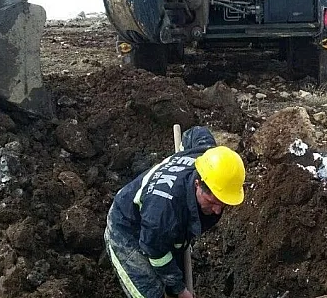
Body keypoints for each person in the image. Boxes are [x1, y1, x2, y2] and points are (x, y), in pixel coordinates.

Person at [104, 126, 246, 298]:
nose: (217, 210)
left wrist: (180, 153)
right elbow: (156, 251)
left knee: (174, 273)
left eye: (223, 204)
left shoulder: (209, 160)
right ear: (197, 184)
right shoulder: (163, 212)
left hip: (166, 226)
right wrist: (180, 290)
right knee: (150, 293)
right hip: (128, 227)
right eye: (212, 202)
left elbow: (196, 132)